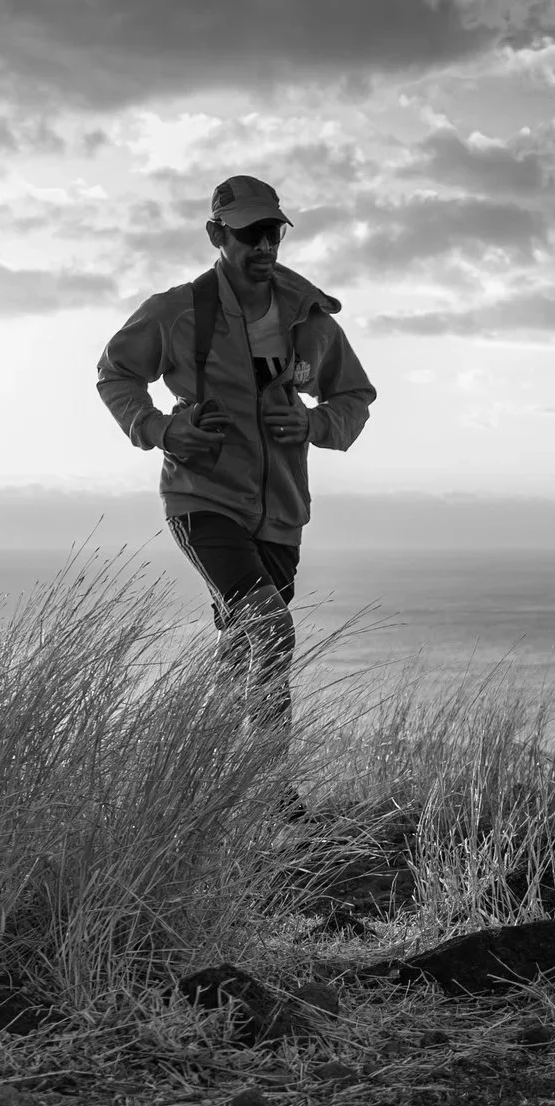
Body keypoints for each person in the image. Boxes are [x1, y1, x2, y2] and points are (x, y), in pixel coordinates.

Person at [95, 173, 376, 731]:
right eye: (251, 235)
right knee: (271, 627)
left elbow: (354, 396)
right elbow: (116, 375)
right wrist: (161, 429)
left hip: (282, 513)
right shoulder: (176, 312)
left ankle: (203, 771)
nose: (265, 247)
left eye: (274, 232)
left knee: (242, 644)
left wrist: (312, 421)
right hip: (202, 497)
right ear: (215, 234)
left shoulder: (308, 314)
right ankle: (273, 788)